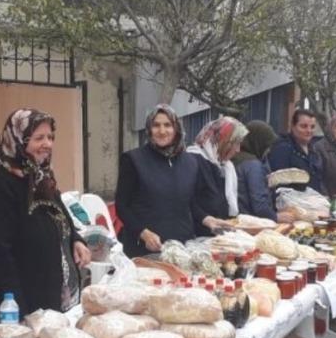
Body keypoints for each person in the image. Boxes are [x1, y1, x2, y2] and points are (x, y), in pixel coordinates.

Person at [0, 109, 91, 318]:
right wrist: (18, 310)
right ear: (18, 140)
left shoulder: (40, 178)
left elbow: (59, 214)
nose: (48, 144)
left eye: (50, 137)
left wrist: (75, 239)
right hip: (26, 304)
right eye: (39, 138)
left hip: (55, 299)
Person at [115, 106, 224, 256]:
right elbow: (122, 206)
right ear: (149, 129)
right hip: (145, 248)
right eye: (156, 125)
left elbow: (188, 202)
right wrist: (143, 233)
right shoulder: (134, 160)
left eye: (167, 125)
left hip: (182, 247)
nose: (162, 131)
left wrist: (206, 219)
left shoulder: (190, 162)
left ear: (176, 129)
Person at [188, 117, 249, 231]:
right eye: (235, 144)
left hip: (218, 235)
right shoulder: (193, 162)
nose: (238, 150)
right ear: (221, 141)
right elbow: (187, 202)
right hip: (198, 236)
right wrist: (205, 219)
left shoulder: (224, 165)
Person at [267, 109, 324, 192]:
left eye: (312, 127)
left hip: (312, 201)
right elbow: (277, 183)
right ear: (293, 126)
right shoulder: (282, 149)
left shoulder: (314, 150)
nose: (309, 131)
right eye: (303, 126)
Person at [233, 120, 279, 220]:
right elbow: (259, 204)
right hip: (252, 221)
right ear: (259, 143)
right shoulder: (253, 165)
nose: (269, 150)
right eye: (267, 146)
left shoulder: (236, 158)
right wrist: (276, 217)